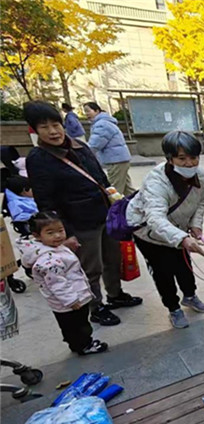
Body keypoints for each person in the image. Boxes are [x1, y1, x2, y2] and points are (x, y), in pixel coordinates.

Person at [24, 101, 142, 326]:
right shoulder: (38, 158)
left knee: (112, 259)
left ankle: (115, 294)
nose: (53, 131)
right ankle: (96, 306)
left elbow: (100, 177)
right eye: (44, 127)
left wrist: (114, 202)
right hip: (79, 222)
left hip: (104, 214)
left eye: (55, 125)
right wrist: (65, 233)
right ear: (35, 130)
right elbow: (45, 201)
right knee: (91, 268)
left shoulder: (79, 146)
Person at [126, 131, 204, 329]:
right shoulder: (156, 181)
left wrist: (196, 225)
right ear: (170, 159)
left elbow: (200, 203)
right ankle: (173, 308)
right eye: (182, 159)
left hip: (178, 229)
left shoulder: (200, 176)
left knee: (184, 265)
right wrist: (183, 239)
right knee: (163, 272)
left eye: (193, 157)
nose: (189, 163)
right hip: (149, 234)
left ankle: (190, 296)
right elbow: (155, 218)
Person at [20, 212, 108, 355]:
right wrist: (71, 300)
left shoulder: (54, 248)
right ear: (37, 235)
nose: (57, 236)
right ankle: (84, 346)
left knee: (71, 326)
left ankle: (76, 343)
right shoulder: (49, 260)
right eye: (50, 233)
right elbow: (57, 284)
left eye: (60, 231)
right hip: (69, 301)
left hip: (68, 298)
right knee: (78, 325)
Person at [83, 102, 135, 196]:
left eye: (88, 111)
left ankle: (115, 207)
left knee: (113, 191)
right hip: (119, 160)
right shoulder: (104, 122)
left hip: (115, 161)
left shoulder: (102, 125)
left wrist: (82, 153)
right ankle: (140, 203)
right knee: (128, 190)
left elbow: (94, 144)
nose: (86, 114)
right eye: (85, 111)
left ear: (97, 111)